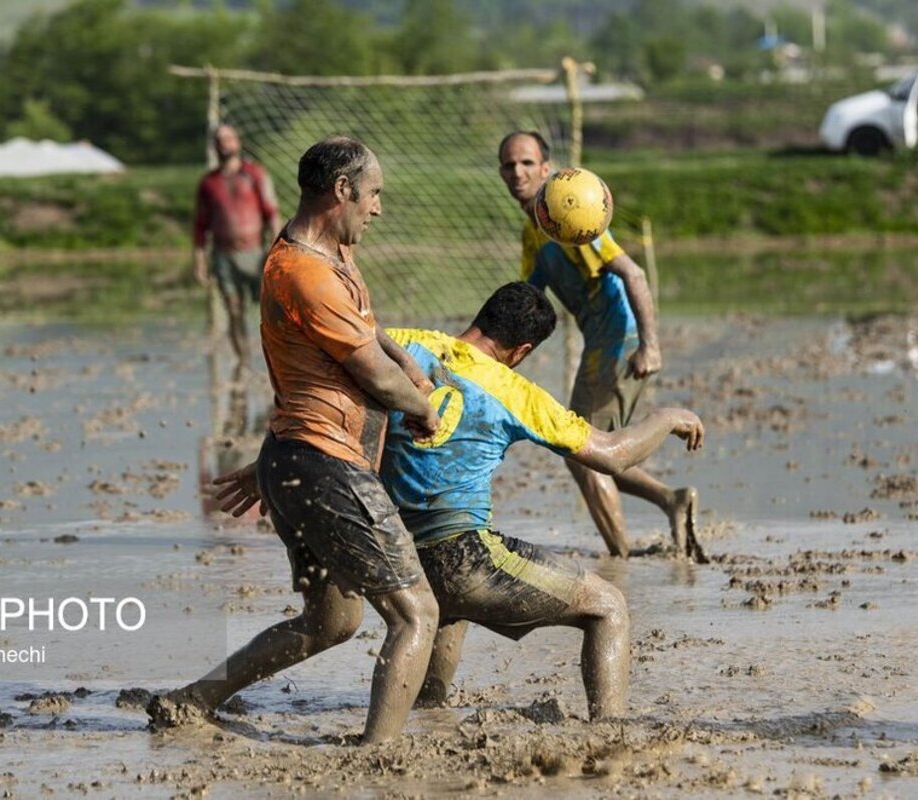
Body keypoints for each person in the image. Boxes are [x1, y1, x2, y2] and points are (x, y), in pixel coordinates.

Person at [214, 282, 705, 720]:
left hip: (389, 544)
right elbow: (613, 456)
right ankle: (611, 734)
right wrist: (665, 417)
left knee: (411, 613)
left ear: (481, 318)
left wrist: (268, 469)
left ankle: (427, 710)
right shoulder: (517, 392)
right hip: (460, 557)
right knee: (608, 607)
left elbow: (324, 406)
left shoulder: (405, 345)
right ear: (523, 349)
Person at [150, 137, 442, 745]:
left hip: (296, 460)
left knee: (332, 621)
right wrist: (422, 405)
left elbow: (370, 335)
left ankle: (193, 699)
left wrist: (410, 372)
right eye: (374, 195)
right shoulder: (305, 273)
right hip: (327, 467)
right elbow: (373, 374)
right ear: (342, 190)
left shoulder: (330, 254)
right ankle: (377, 754)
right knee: (417, 611)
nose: (378, 209)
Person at [497, 130, 700, 561]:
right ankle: (670, 501)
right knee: (593, 451)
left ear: (547, 170)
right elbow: (529, 303)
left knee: (583, 450)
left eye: (527, 163)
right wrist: (494, 362)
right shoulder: (534, 232)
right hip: (599, 344)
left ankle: (620, 562)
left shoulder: (575, 215)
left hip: (619, 342)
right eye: (509, 165)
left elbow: (635, 275)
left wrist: (650, 345)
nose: (518, 172)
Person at [192, 124, 281, 362]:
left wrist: (276, 249)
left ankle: (276, 361)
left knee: (271, 311)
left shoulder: (254, 174)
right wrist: (199, 261)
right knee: (233, 311)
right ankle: (243, 361)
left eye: (229, 138)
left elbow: (272, 213)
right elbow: (200, 226)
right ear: (214, 146)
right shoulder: (208, 184)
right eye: (220, 140)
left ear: (238, 142)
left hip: (255, 253)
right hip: (223, 256)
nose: (224, 144)